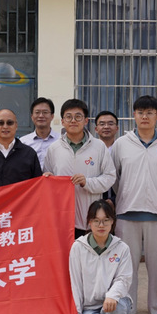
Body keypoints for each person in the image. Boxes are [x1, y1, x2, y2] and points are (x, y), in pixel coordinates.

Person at [111, 95, 157, 314]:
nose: (144, 117)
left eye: (150, 112)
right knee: (126, 269)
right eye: (140, 112)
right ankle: (128, 313)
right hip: (127, 215)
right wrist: (130, 195)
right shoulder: (122, 143)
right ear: (134, 115)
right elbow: (115, 178)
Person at [68, 200, 133, 314]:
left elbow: (123, 278)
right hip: (90, 306)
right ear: (89, 222)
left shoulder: (122, 248)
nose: (101, 225)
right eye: (96, 220)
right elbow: (75, 283)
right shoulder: (78, 247)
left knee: (117, 306)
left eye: (105, 220)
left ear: (113, 221)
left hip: (115, 302)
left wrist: (112, 295)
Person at [43, 99, 116, 239]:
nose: (73, 121)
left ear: (86, 121)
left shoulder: (99, 147)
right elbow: (48, 178)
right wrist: (48, 178)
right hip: (62, 219)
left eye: (78, 117)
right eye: (68, 117)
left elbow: (109, 177)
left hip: (91, 219)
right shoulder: (54, 148)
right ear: (62, 121)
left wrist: (87, 182)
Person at [21, 97, 60, 169]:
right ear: (32, 116)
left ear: (52, 116)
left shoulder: (61, 140)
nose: (41, 116)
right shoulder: (23, 142)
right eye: (37, 112)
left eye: (45, 112)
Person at [95, 110, 119, 203]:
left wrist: (114, 201)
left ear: (117, 128)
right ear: (96, 129)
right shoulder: (90, 149)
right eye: (102, 124)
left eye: (110, 123)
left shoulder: (122, 148)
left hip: (119, 200)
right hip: (95, 198)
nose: (106, 127)